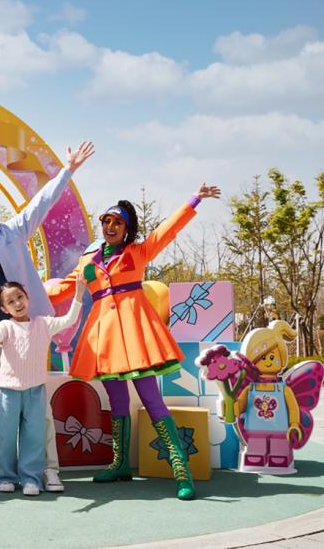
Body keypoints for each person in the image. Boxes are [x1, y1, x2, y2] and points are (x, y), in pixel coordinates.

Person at [47, 183, 222, 501]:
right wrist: (25, 293)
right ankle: (119, 464)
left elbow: (167, 231)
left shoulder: (137, 252)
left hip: (136, 336)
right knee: (117, 402)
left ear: (126, 229)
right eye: (107, 221)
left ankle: (181, 470)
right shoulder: (88, 262)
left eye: (118, 222)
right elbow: (63, 290)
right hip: (105, 338)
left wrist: (194, 200)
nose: (111, 227)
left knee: (152, 399)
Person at [0, 141, 95, 491]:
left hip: (28, 333)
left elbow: (41, 203)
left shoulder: (11, 233)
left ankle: (48, 467)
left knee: (37, 406)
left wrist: (68, 170)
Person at [0, 274, 85, 495]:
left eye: (20, 297)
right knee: (7, 436)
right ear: (4, 308)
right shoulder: (5, 326)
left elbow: (69, 319)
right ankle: (6, 477)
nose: (17, 303)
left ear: (27, 297)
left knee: (34, 436)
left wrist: (78, 296)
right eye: (10, 301)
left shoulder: (44, 323)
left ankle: (31, 479)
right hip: (8, 392)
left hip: (35, 391)